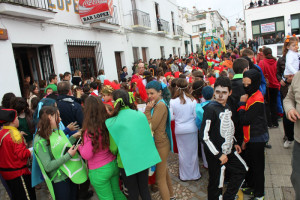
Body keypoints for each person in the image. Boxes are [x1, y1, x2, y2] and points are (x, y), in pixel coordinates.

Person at [106, 89, 161, 200]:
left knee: (132, 192)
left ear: (115, 102)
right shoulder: (140, 115)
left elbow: (113, 148)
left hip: (126, 161)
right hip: (143, 158)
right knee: (144, 189)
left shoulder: (112, 121)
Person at [200, 76, 247, 200]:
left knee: (241, 169)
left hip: (228, 148)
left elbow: (229, 127)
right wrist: (218, 155)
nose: (220, 96)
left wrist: (234, 141)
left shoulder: (227, 106)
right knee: (216, 184)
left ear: (230, 93)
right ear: (214, 91)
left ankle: (228, 197)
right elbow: (204, 136)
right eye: (218, 92)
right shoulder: (210, 109)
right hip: (215, 153)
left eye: (224, 93)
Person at [34, 106, 87, 200]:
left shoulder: (54, 131)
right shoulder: (40, 140)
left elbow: (60, 149)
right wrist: (69, 155)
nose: (60, 119)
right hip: (59, 180)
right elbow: (48, 166)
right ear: (49, 117)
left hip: (70, 174)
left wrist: (73, 137)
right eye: (57, 116)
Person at [78, 96, 126, 200]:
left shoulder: (89, 131)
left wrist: (80, 147)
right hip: (113, 164)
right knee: (117, 193)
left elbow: (87, 154)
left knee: (106, 197)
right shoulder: (108, 123)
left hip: (99, 170)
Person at [238, 69, 269, 200]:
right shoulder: (252, 94)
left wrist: (241, 104)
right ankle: (252, 186)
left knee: (258, 167)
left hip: (257, 137)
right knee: (251, 164)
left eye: (248, 85)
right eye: (244, 84)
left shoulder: (257, 99)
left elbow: (245, 120)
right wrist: (246, 140)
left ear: (255, 83)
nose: (246, 87)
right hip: (251, 137)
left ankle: (259, 194)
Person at [145, 81, 174, 200]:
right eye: (148, 93)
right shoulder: (157, 103)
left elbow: (151, 126)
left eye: (152, 93)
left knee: (159, 179)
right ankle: (171, 196)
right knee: (164, 172)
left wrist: (147, 110)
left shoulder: (160, 105)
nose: (149, 96)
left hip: (161, 144)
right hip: (159, 142)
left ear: (160, 92)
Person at [0, 108, 36, 200]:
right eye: (16, 118)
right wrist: (32, 150)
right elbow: (22, 154)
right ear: (12, 121)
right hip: (18, 173)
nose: (18, 120)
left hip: (6, 173)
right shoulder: (15, 135)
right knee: (27, 196)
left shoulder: (2, 132)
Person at [170, 78, 201, 181]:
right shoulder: (193, 100)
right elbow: (196, 115)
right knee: (193, 152)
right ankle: (195, 174)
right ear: (188, 87)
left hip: (180, 129)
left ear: (177, 87)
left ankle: (184, 176)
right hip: (191, 128)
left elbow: (171, 117)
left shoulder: (173, 101)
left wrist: (179, 117)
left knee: (183, 153)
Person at [283, 71, 300, 200]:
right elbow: (289, 98)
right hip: (299, 141)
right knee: (297, 178)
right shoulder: (298, 76)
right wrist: (290, 109)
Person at [227, 58, 249, 148]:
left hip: (232, 120)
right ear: (245, 70)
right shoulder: (247, 85)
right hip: (245, 120)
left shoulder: (229, 84)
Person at [259, 48, 280, 128]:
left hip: (267, 86)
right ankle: (275, 122)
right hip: (275, 85)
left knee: (267, 104)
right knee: (274, 104)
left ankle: (269, 123)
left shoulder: (262, 62)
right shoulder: (276, 61)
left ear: (263, 54)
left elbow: (260, 74)